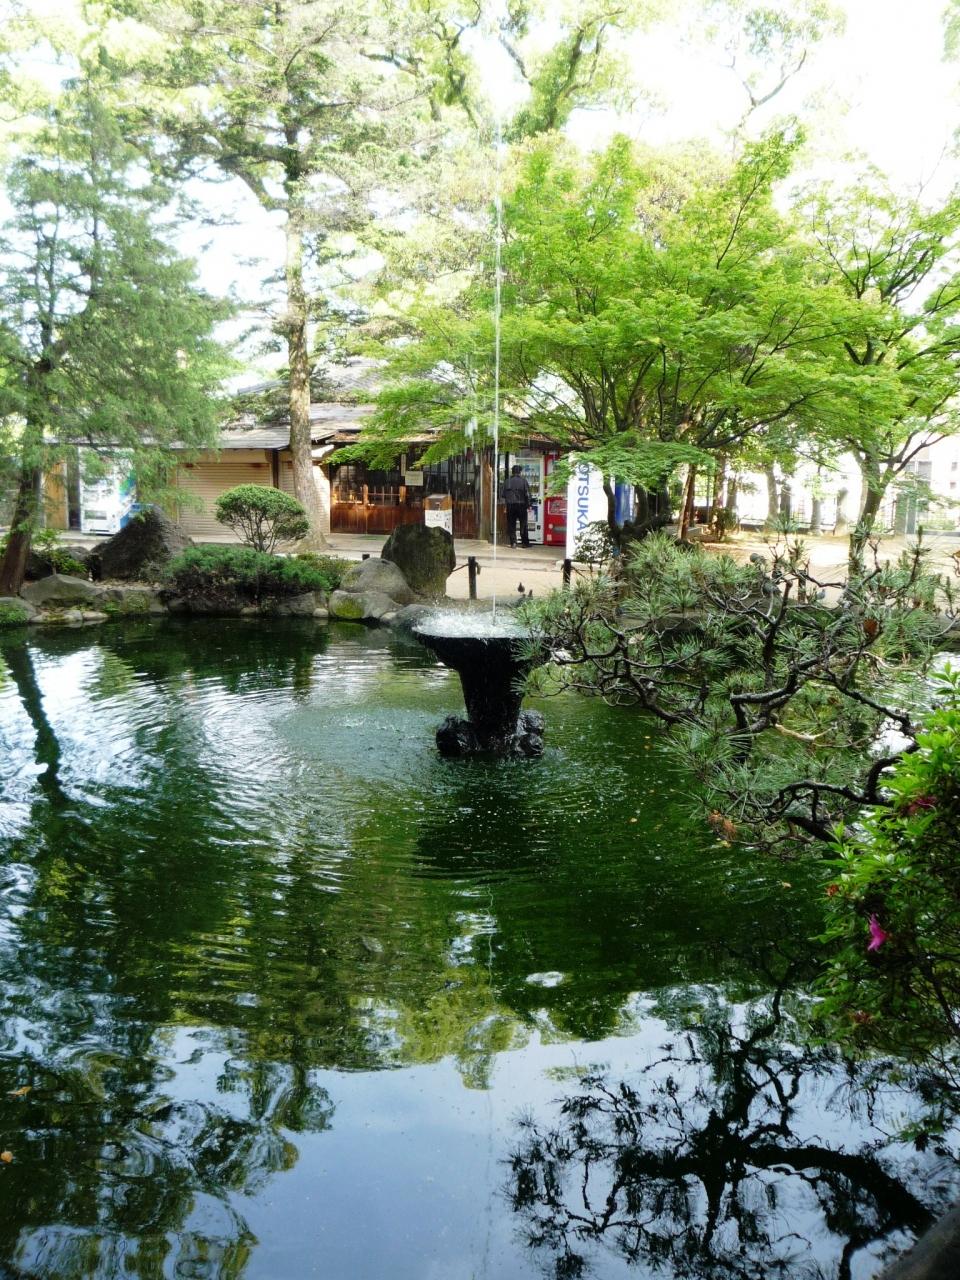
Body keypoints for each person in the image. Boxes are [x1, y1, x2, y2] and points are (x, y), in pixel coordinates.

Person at [503, 464, 532, 548]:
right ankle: (524, 543)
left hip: (510, 505)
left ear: (512, 472)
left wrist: (505, 506)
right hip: (521, 505)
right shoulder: (523, 481)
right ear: (520, 472)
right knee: (523, 524)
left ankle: (513, 543)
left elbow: (504, 495)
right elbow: (527, 494)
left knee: (511, 524)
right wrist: (529, 505)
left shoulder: (507, 481)